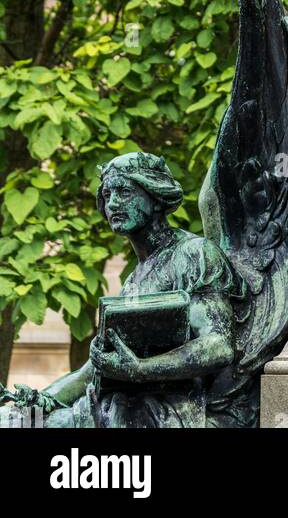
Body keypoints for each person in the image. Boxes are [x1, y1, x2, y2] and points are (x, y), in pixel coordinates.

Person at [16, 153, 248, 428]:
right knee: (18, 418)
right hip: (121, 404)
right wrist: (43, 397)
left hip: (172, 408)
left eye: (124, 192)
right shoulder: (134, 281)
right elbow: (91, 370)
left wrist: (141, 369)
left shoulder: (194, 254)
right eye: (107, 195)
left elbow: (218, 345)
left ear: (156, 198)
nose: (113, 203)